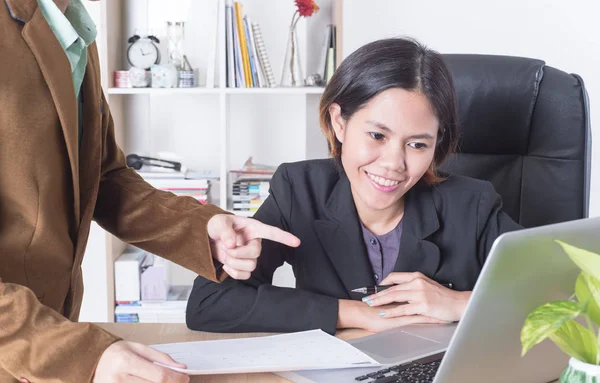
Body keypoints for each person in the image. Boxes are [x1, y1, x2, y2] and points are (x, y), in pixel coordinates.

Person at [0, 1, 299, 382]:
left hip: (45, 343)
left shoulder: (74, 29)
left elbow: (106, 179)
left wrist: (201, 230)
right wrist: (79, 355)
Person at [186, 37, 523, 336]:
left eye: (418, 145)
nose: (394, 164)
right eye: (377, 135)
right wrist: (354, 313)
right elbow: (210, 302)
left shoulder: (473, 205)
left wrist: (462, 303)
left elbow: (564, 296)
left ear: (438, 143)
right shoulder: (300, 190)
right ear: (340, 122)